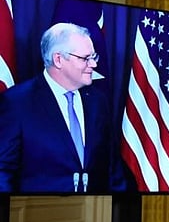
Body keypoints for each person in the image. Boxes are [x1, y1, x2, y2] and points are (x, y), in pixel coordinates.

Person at [0, 22, 113, 193]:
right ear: (58, 59)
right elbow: (3, 172)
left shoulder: (98, 101)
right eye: (85, 58)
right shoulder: (17, 103)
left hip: (93, 211)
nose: (94, 65)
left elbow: (111, 167)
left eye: (94, 57)